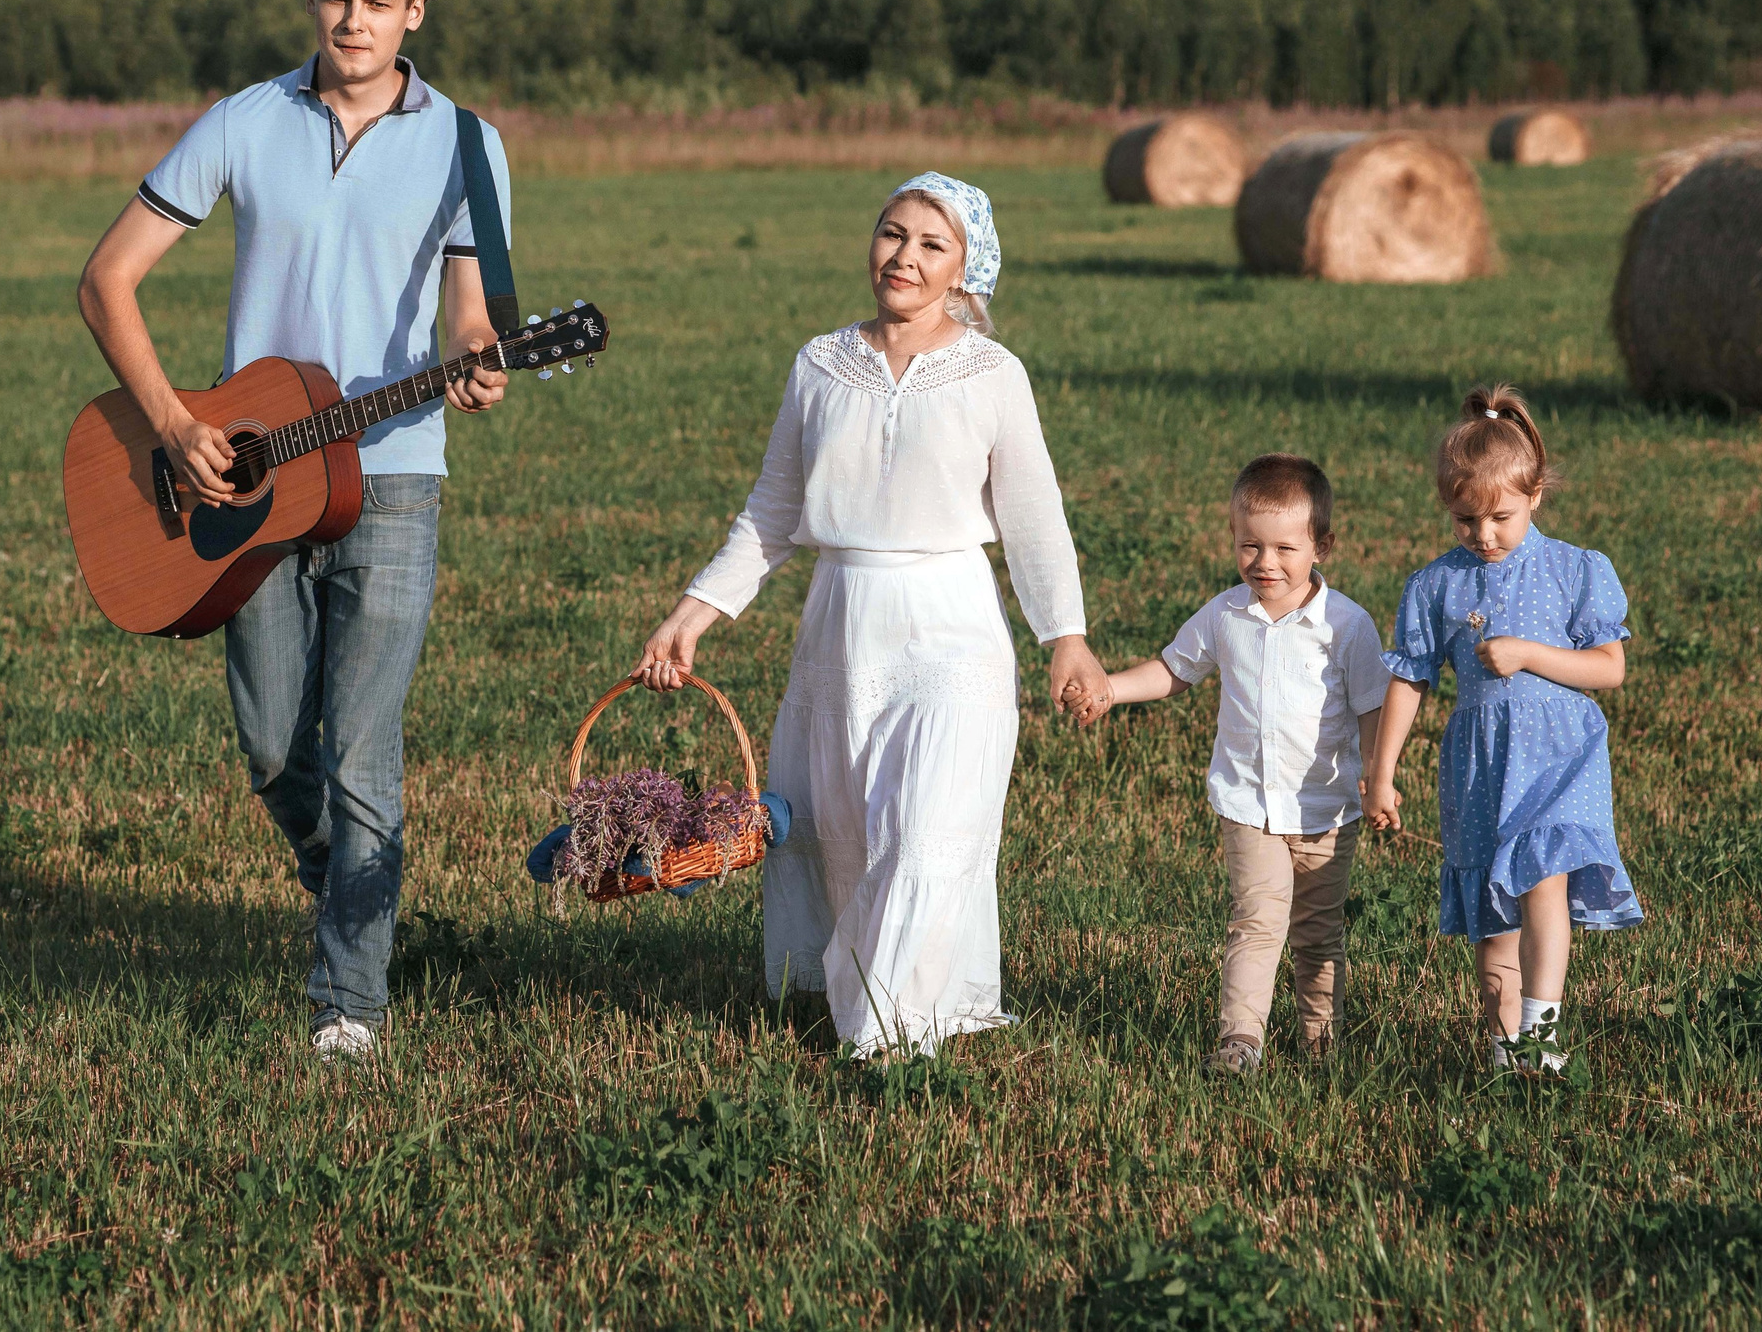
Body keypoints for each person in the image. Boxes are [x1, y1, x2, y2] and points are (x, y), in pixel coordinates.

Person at [75, 0, 510, 1062]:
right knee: (276, 750)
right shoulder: (242, 122)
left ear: (416, 9)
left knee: (364, 750)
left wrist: (476, 362)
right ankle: (359, 901)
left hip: (396, 478)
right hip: (247, 482)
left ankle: (347, 1005)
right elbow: (107, 278)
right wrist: (172, 424)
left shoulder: (469, 143)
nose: (352, 20)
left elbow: (473, 312)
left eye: (376, 1)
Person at [635, 174, 1107, 1055]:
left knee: (930, 831)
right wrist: (693, 613)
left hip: (953, 624)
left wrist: (1066, 640)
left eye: (933, 245)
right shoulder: (819, 363)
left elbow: (1035, 518)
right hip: (843, 623)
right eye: (894, 234)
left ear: (968, 269)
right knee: (850, 829)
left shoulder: (993, 373)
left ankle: (892, 1034)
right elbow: (772, 511)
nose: (906, 256)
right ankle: (867, 1006)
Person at [1076, 454, 1390, 1074]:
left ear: (1321, 545)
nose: (1264, 563)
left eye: (1284, 548)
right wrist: (1110, 688)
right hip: (1249, 804)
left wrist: (1378, 774)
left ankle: (1321, 1045)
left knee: (1319, 931)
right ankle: (1241, 1041)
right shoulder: (1225, 615)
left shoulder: (1347, 627)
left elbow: (1373, 704)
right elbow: (1174, 670)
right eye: (1250, 545)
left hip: (1326, 810)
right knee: (1257, 918)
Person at [1362, 386, 1640, 1075]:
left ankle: (1542, 1038)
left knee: (1542, 878)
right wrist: (1383, 771)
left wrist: (1527, 653)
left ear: (1536, 494)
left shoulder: (1575, 567)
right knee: (1495, 914)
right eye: (1465, 520)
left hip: (1558, 754)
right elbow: (1410, 679)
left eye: (1501, 517)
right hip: (1480, 760)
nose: (1483, 535)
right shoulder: (1434, 586)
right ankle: (1503, 1050)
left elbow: (1610, 668)